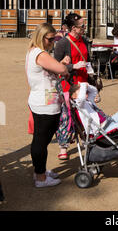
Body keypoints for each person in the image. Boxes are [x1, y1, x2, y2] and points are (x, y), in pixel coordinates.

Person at [25, 23, 69, 188]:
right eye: (50, 39)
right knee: (41, 141)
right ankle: (41, 177)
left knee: (41, 139)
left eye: (54, 39)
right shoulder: (40, 53)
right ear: (41, 37)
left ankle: (40, 172)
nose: (53, 43)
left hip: (42, 99)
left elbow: (54, 68)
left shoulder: (35, 51)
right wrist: (63, 64)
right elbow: (61, 69)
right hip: (44, 103)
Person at [70, 82, 118, 157]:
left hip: (108, 122)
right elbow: (81, 98)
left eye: (85, 90)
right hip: (102, 129)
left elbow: (94, 91)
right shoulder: (79, 104)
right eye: (82, 91)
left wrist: (87, 86)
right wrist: (82, 85)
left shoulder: (88, 101)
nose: (85, 91)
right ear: (74, 96)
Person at [54, 12, 90, 160]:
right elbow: (55, 66)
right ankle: (63, 147)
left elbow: (88, 60)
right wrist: (73, 66)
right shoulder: (63, 43)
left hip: (84, 82)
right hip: (69, 85)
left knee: (85, 116)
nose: (84, 27)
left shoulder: (85, 40)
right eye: (82, 25)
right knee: (66, 116)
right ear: (73, 28)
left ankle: (87, 143)